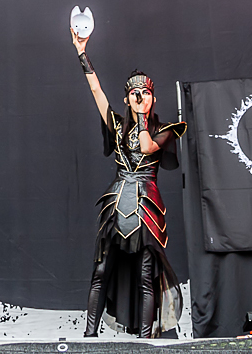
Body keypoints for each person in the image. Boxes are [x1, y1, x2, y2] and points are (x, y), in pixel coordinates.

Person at [71, 28, 185, 337]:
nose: (141, 96)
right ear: (126, 98)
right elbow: (97, 93)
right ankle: (89, 337)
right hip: (117, 201)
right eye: (135, 93)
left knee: (145, 274)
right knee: (101, 270)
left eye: (146, 92)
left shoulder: (165, 129)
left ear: (153, 97)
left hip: (147, 204)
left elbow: (148, 147)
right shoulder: (118, 126)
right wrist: (82, 54)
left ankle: (146, 340)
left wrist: (142, 117)